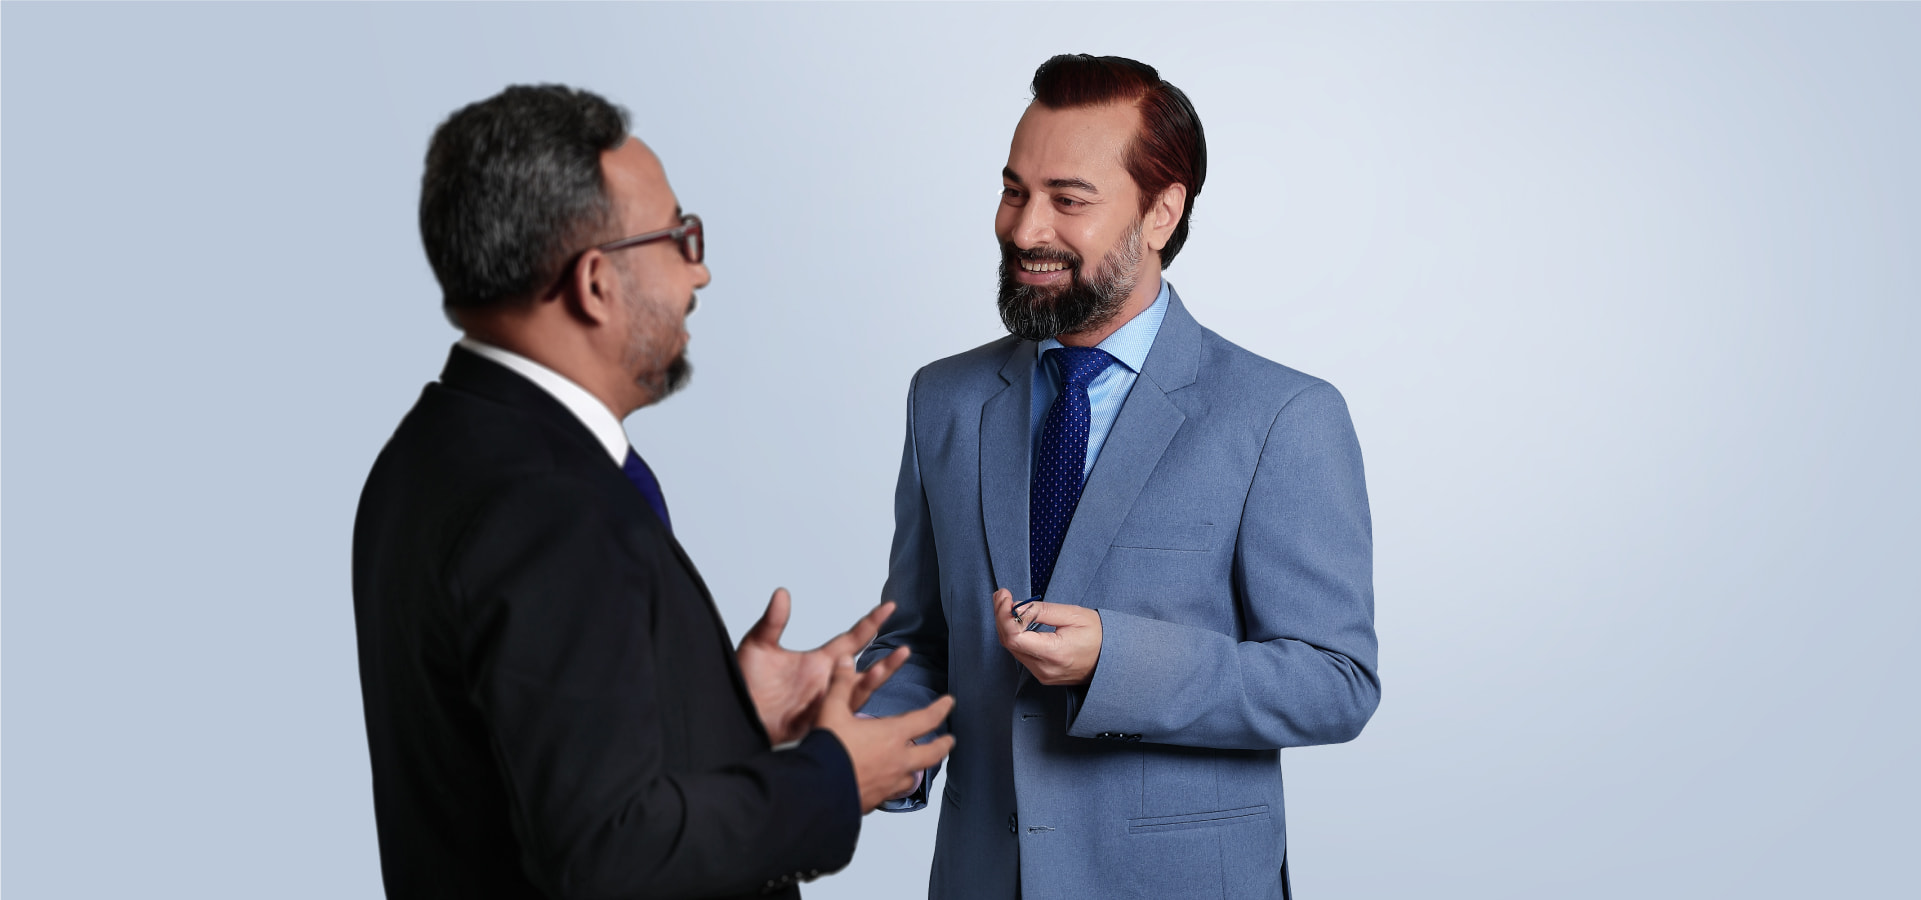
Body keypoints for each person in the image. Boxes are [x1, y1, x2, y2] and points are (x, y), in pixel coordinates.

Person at [352, 84, 953, 900]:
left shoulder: (431, 450)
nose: (698, 269)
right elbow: (610, 855)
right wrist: (832, 780)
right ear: (596, 282)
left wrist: (714, 711)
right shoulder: (548, 504)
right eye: (678, 237)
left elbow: (530, 754)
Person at [857, 55, 1379, 899]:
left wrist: (1117, 661)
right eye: (1014, 191)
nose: (1025, 229)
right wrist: (869, 737)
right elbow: (923, 639)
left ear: (1161, 211)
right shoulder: (944, 399)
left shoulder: (1282, 416)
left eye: (1068, 200)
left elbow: (1334, 682)